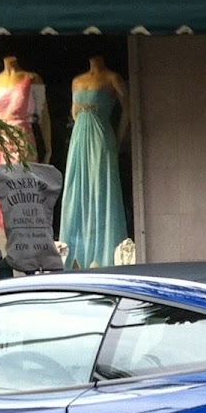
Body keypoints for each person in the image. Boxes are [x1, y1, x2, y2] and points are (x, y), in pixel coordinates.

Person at [59, 54, 130, 269]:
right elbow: (74, 113)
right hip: (80, 138)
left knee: (101, 189)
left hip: (101, 136)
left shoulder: (112, 78)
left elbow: (128, 109)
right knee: (77, 189)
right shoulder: (77, 81)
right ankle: (75, 254)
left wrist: (119, 139)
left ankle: (104, 252)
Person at [0, 55, 54, 230]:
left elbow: (43, 115)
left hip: (21, 141)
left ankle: (26, 241)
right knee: (1, 196)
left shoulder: (31, 78)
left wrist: (48, 147)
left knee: (21, 193)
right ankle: (3, 244)